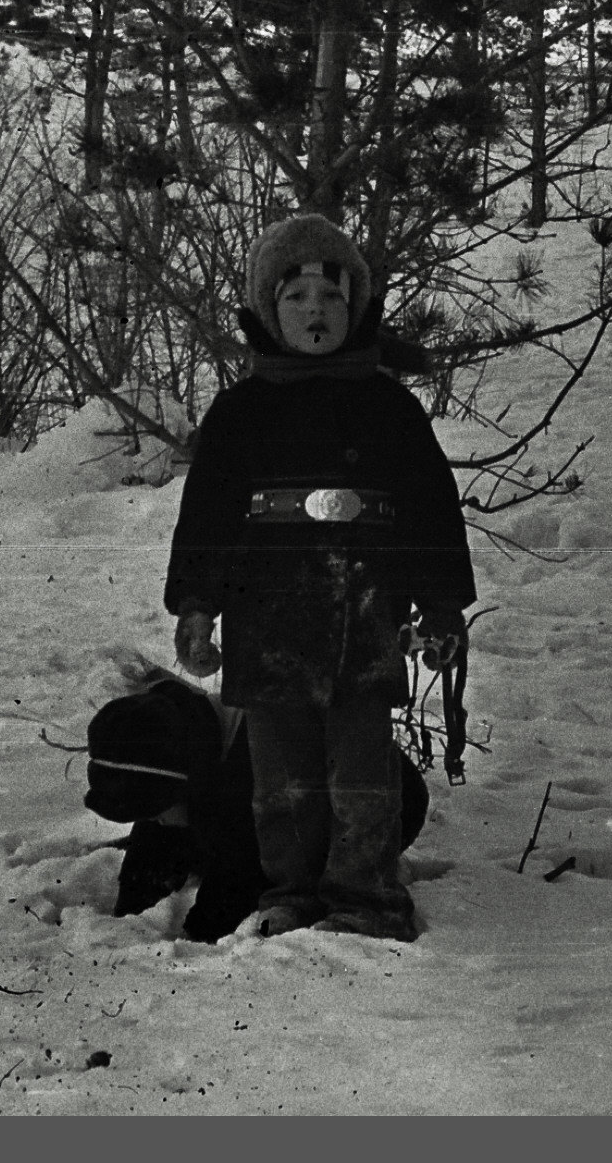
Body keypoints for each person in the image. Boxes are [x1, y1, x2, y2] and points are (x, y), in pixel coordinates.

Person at [163, 213, 473, 941]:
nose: (314, 313)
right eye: (296, 299)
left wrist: (440, 606)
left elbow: (430, 511)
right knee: (282, 775)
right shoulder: (240, 414)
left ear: (356, 307)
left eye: (330, 299)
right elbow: (207, 516)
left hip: (362, 620)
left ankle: (365, 894)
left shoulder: (389, 409)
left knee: (362, 767)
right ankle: (293, 890)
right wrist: (197, 606)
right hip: (265, 622)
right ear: (267, 310)